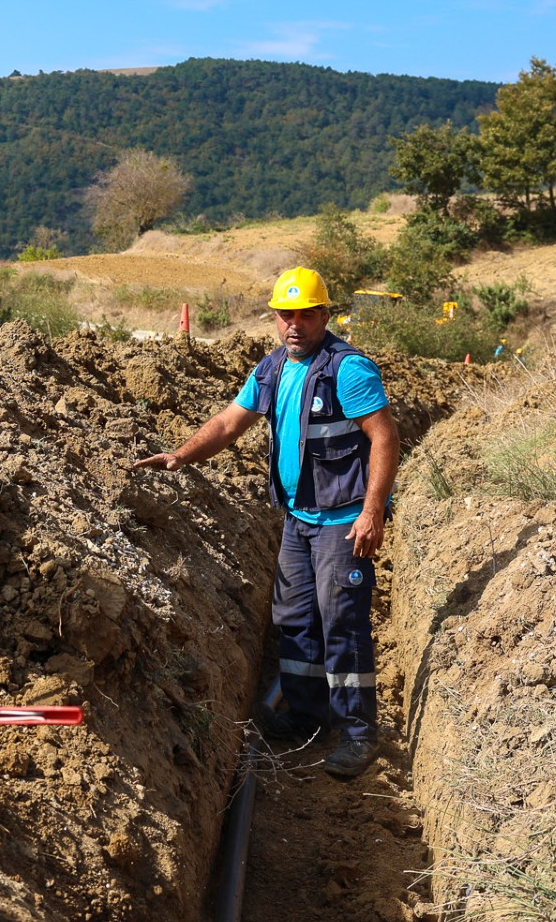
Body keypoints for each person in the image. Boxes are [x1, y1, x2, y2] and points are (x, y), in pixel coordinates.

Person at [133, 267, 400, 778]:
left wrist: (372, 512)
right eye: (285, 315)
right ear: (275, 318)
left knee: (341, 625)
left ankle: (359, 734)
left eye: (304, 314)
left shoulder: (349, 370)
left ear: (324, 314)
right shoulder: (274, 368)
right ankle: (305, 716)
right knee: (295, 620)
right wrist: (180, 457)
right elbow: (231, 423)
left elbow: (385, 438)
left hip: (342, 521)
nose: (293, 324)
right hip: (298, 519)